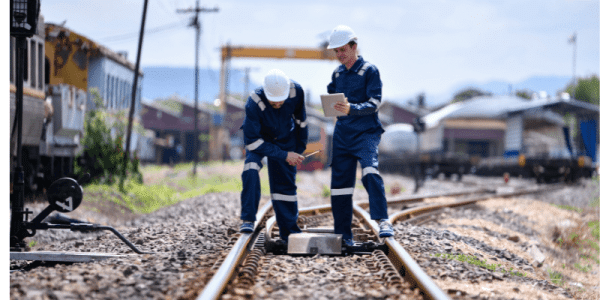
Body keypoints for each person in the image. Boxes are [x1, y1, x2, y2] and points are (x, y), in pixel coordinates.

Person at [326, 25, 394, 245]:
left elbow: (374, 103)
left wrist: (351, 109)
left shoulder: (369, 71)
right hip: (343, 134)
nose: (339, 55)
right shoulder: (337, 73)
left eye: (342, 50)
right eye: (336, 51)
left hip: (365, 133)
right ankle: (343, 235)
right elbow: (332, 91)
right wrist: (332, 103)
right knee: (340, 186)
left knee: (370, 171)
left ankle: (383, 220)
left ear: (354, 46)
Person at [239, 69, 308, 244]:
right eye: (273, 101)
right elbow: (252, 141)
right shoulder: (254, 101)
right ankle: (248, 218)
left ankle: (289, 232)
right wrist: (284, 155)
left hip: (285, 139)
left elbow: (302, 122)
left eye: (280, 101)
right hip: (260, 140)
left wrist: (297, 151)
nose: (277, 104)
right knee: (251, 168)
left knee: (284, 186)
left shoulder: (296, 92)